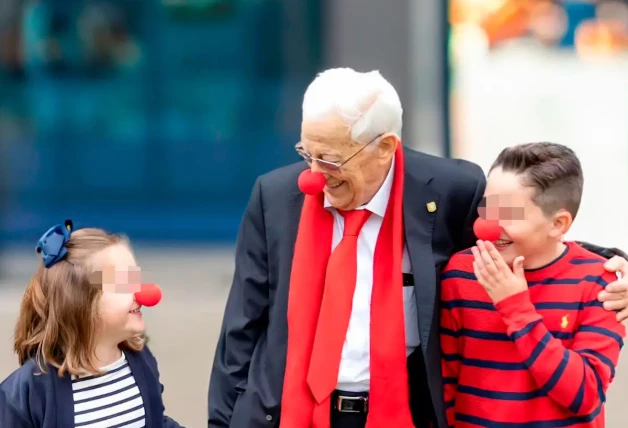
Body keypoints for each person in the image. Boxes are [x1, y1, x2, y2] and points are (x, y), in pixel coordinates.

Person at [207, 68, 628, 428]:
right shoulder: (276, 197)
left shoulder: (451, 189)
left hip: (400, 413)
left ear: (384, 147)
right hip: (287, 413)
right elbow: (241, 329)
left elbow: (516, 235)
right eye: (307, 153)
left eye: (331, 159)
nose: (314, 176)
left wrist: (616, 264)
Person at [440, 143, 626, 427]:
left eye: (509, 214)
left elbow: (584, 395)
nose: (489, 225)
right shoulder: (461, 273)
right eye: (487, 208)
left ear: (558, 224)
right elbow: (445, 383)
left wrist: (515, 307)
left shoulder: (600, 284)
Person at [0, 220, 184, 428]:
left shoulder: (141, 361)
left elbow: (155, 422)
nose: (143, 293)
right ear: (81, 301)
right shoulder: (28, 391)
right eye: (124, 282)